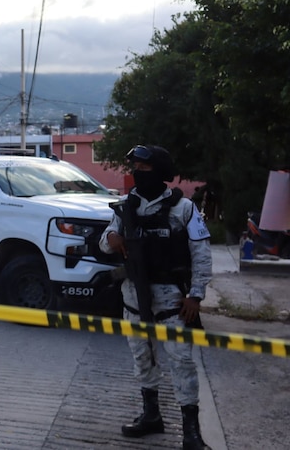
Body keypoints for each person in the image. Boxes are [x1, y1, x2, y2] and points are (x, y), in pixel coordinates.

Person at [99, 144, 212, 450]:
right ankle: (151, 416)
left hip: (173, 303)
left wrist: (196, 296)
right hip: (135, 300)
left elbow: (201, 256)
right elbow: (105, 243)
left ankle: (191, 432)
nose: (138, 173)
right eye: (135, 167)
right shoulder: (125, 207)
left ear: (160, 172)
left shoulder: (183, 209)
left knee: (182, 364)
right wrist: (112, 237)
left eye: (145, 169)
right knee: (143, 360)